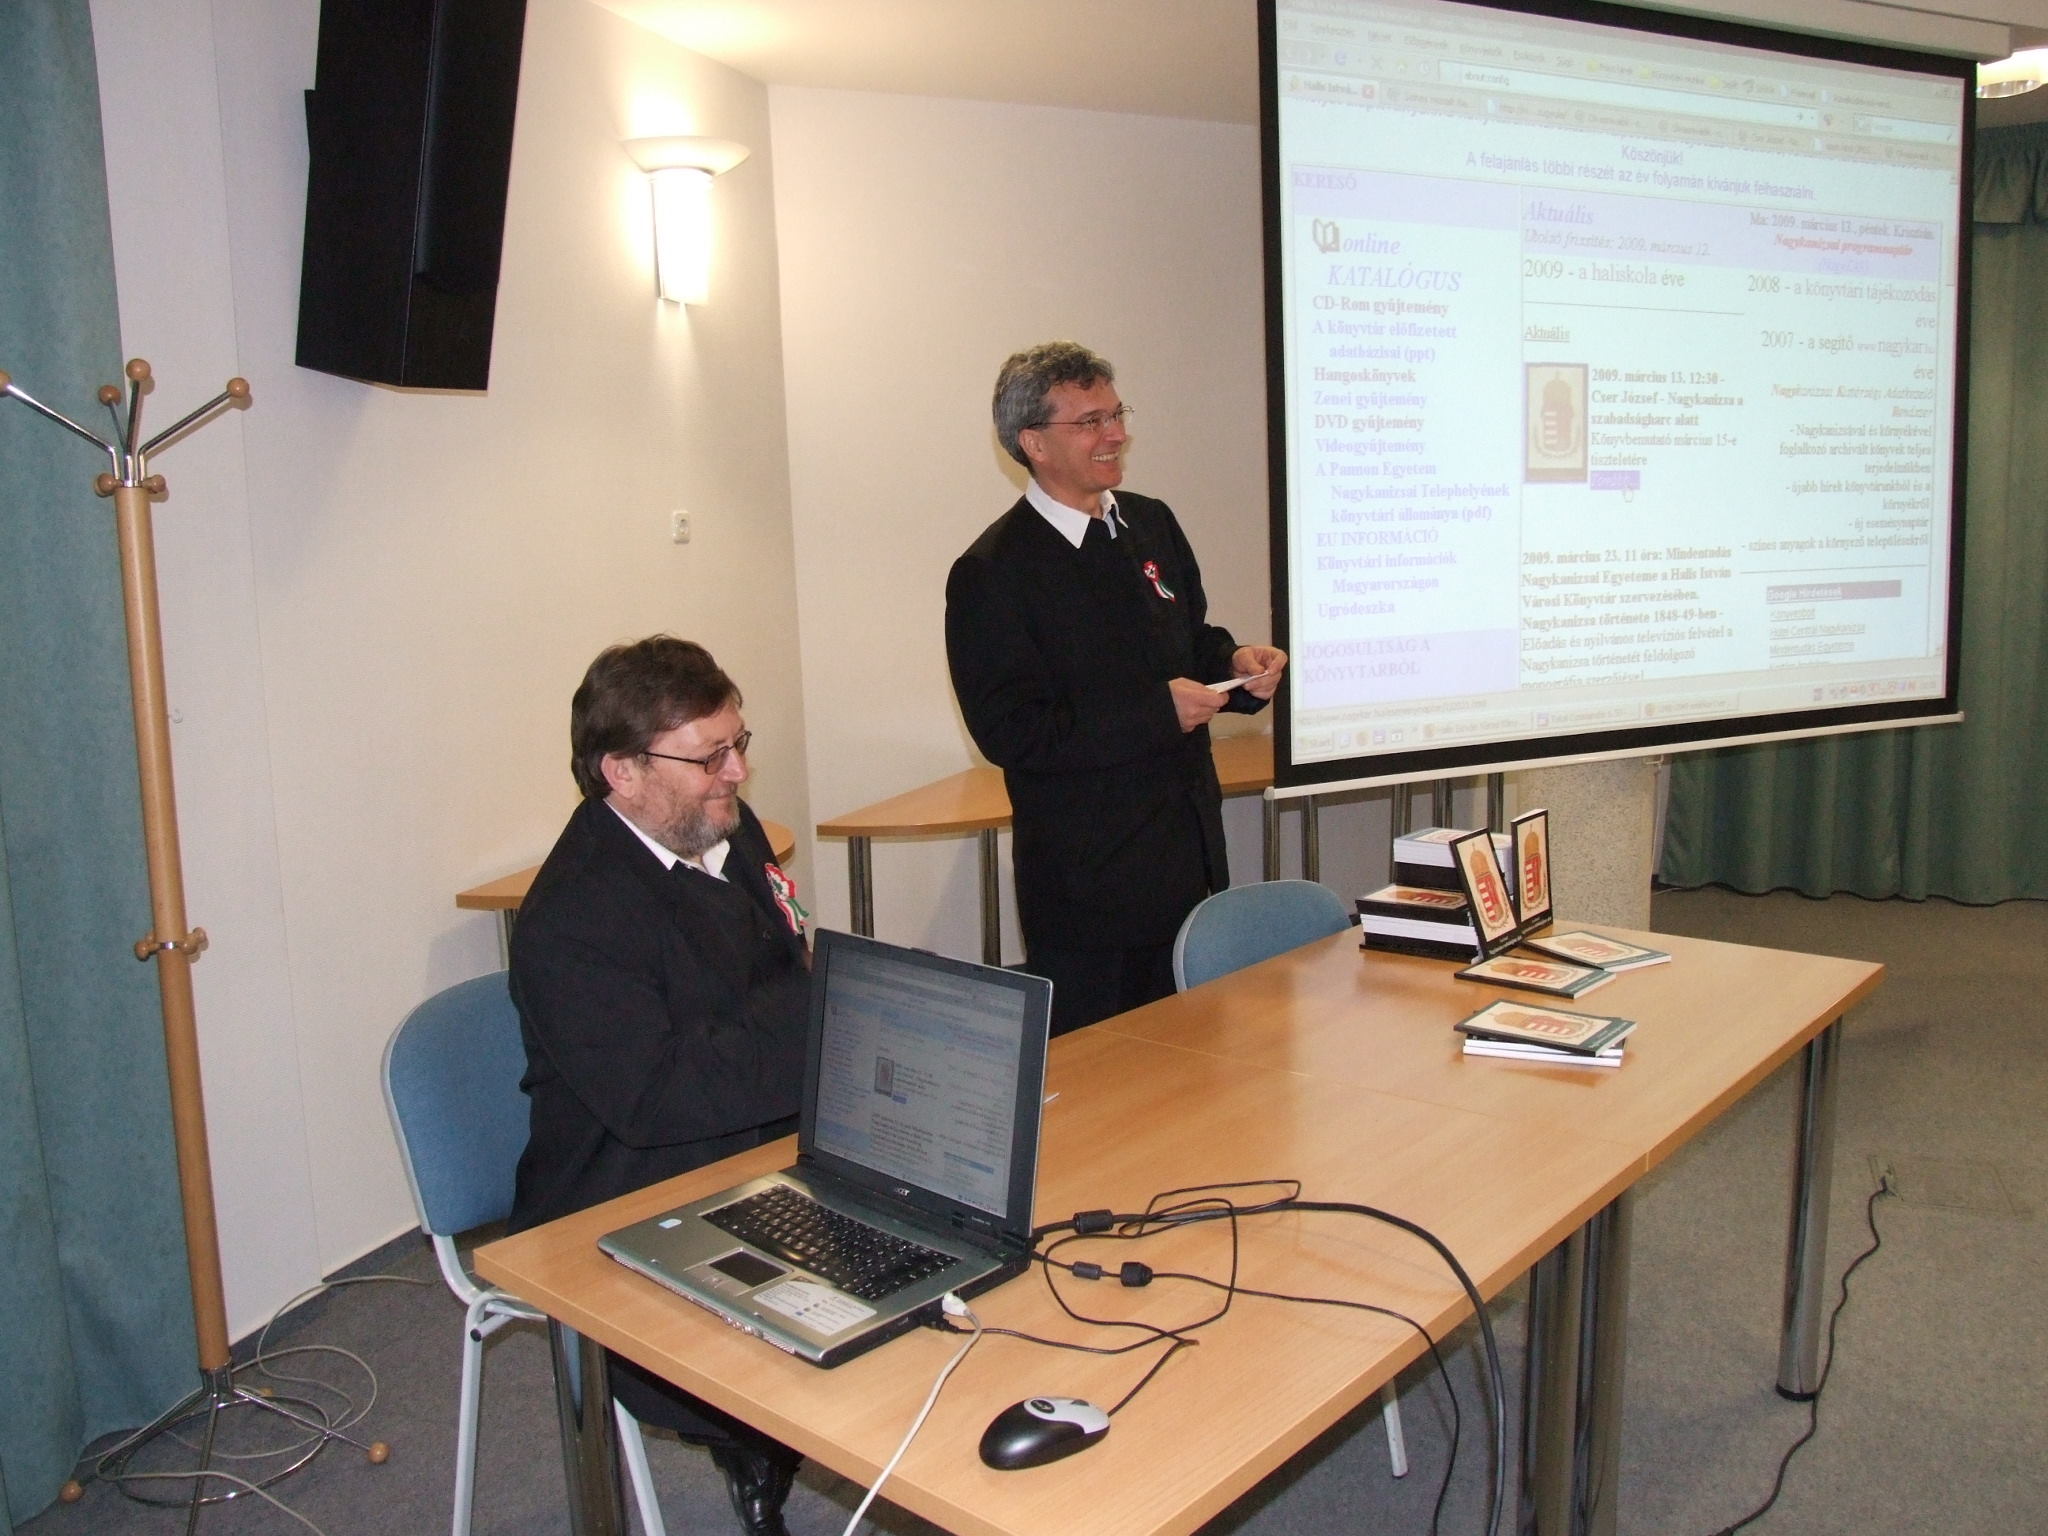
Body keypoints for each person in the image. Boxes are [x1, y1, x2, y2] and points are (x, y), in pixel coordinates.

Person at [507, 636, 808, 1536]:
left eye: (739, 743)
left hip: (738, 1128)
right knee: (827, 1292)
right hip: (616, 1188)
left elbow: (781, 980)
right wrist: (830, 1035)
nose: (737, 771)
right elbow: (659, 1097)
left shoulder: (723, 826)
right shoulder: (573, 917)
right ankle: (756, 1438)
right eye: (710, 756)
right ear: (623, 772)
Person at [945, 341, 1287, 1035]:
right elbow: (1013, 732)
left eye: (1117, 414)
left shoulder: (1150, 521)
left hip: (1189, 864)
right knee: (1109, 1085)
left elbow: (1188, 640)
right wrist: (1156, 712)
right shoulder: (993, 572)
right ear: (1033, 443)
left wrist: (1237, 663)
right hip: (1092, 894)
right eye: (1091, 421)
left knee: (1201, 1068)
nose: (1116, 434)